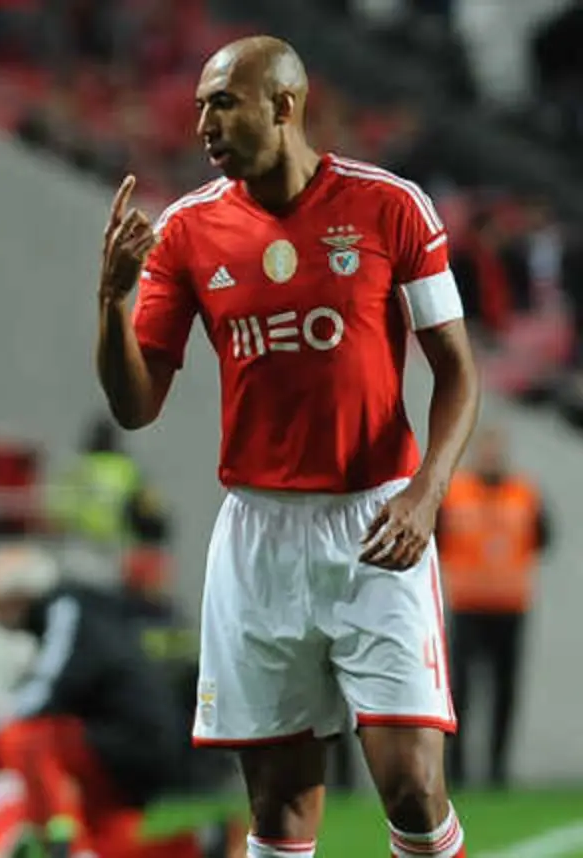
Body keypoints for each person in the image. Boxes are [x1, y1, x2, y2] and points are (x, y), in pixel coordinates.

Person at [95, 37, 479, 858]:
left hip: (378, 521)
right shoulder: (187, 230)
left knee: (412, 785)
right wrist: (112, 306)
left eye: (221, 102)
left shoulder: (392, 207)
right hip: (259, 536)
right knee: (277, 811)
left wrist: (425, 494)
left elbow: (459, 373)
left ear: (283, 104)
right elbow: (134, 406)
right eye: (198, 105)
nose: (202, 122)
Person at [0, 546, 241, 858]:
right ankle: (189, 841)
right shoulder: (81, 612)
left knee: (21, 738)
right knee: (103, 829)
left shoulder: (66, 607)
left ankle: (65, 844)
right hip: (127, 741)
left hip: (132, 740)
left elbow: (49, 689)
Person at [438, 424, 550, 788]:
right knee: (461, 692)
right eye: (485, 450)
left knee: (505, 691)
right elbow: (435, 540)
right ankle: (457, 770)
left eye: (495, 450)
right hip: (467, 606)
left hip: (511, 607)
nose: (490, 457)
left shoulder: (525, 494)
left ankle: (497, 769)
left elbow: (543, 538)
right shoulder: (455, 493)